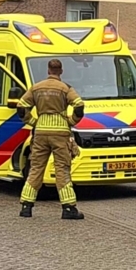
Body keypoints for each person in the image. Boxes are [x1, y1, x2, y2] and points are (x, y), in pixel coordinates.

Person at [16, 59, 85, 220]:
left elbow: (21, 106)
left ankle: (26, 205)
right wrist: (71, 121)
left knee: (36, 168)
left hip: (40, 131)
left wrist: (32, 121)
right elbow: (79, 106)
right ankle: (68, 208)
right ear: (60, 71)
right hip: (60, 132)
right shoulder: (65, 88)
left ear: (48, 70)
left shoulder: (36, 87)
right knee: (62, 169)